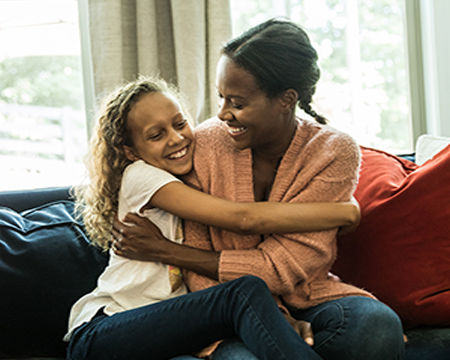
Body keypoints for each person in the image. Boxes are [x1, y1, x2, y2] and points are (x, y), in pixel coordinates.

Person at [113, 19, 406, 360]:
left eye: (236, 102)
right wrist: (271, 318)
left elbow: (288, 264)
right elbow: (196, 255)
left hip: (308, 295)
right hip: (229, 309)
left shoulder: (334, 152)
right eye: (221, 97)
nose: (222, 114)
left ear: (285, 100)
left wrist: (278, 315)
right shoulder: (204, 144)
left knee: (377, 327)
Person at [64, 76, 362, 360]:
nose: (176, 138)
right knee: (242, 292)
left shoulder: (191, 177)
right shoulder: (141, 176)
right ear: (130, 152)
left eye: (180, 124)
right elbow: (243, 218)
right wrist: (344, 212)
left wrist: (279, 317)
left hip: (164, 335)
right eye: (156, 135)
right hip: (104, 331)